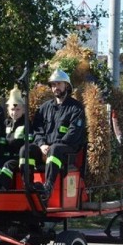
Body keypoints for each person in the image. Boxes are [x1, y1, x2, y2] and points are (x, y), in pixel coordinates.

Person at [26, 68, 86, 203]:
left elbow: (73, 133)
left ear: (67, 86)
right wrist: (41, 145)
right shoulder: (44, 108)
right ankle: (28, 186)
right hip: (45, 149)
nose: (56, 87)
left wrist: (51, 146)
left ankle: (47, 188)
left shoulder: (76, 108)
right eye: (53, 85)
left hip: (66, 151)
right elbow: (37, 129)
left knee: (56, 149)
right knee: (26, 150)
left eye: (59, 84)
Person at [0, 86, 30, 191]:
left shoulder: (26, 124)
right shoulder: (6, 123)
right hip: (5, 156)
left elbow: (28, 142)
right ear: (8, 110)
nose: (15, 112)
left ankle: (3, 187)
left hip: (17, 158)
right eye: (12, 109)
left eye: (18, 109)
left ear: (23, 110)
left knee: (7, 165)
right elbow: (2, 142)